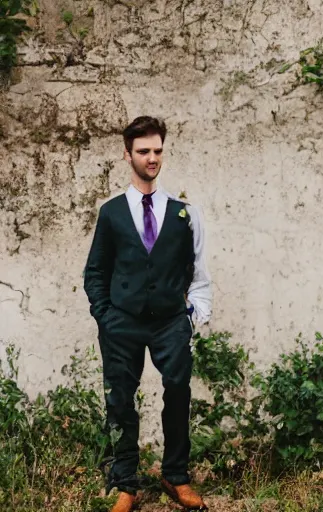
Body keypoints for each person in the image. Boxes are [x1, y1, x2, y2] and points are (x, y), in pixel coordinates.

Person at [83, 116, 212, 512]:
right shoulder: (111, 213)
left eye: (157, 150)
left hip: (171, 321)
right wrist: (106, 316)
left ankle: (176, 477)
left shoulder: (184, 214)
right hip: (122, 322)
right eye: (143, 151)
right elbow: (95, 272)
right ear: (128, 155)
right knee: (120, 399)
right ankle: (126, 483)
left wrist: (193, 316)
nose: (152, 158)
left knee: (178, 394)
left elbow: (199, 273)